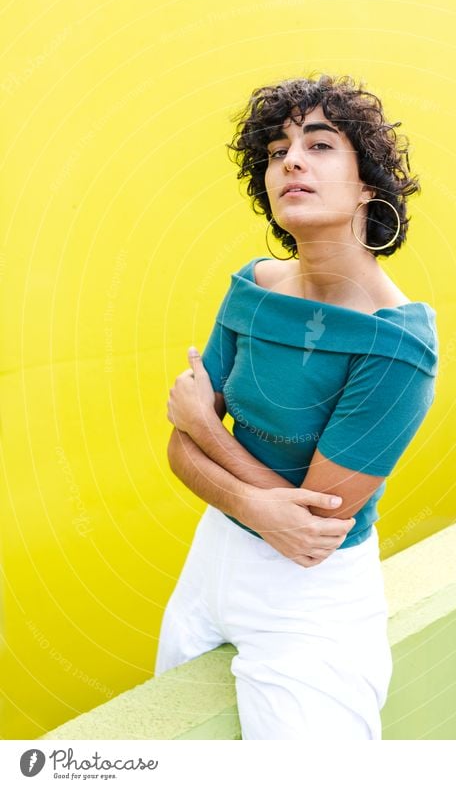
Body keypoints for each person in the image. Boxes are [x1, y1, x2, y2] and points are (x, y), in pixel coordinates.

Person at [155, 74, 438, 740]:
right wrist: (246, 497)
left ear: (369, 184)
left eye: (318, 144)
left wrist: (207, 430)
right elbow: (175, 447)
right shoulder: (252, 286)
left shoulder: (397, 345)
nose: (291, 161)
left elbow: (314, 531)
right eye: (277, 150)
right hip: (209, 567)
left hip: (308, 611)